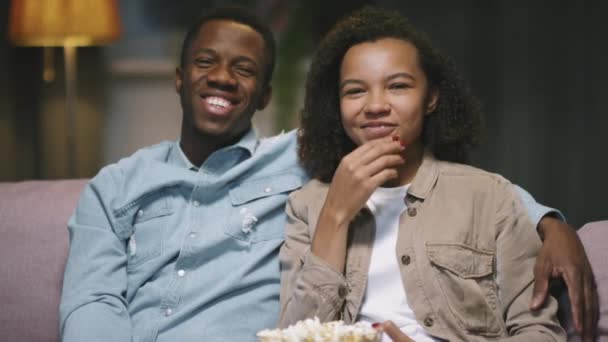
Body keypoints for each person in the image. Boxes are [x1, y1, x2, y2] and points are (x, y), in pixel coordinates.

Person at [59, 5, 595, 342]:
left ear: (266, 94)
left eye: (244, 69)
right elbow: (92, 301)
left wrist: (551, 224)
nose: (222, 78)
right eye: (205, 63)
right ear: (178, 78)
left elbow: (466, 191)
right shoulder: (115, 186)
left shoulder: (303, 160)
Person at [278, 6, 595, 341]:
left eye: (397, 86)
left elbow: (539, 332)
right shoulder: (307, 205)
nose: (374, 105)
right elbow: (291, 335)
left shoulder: (489, 196)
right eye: (355, 90)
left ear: (430, 98)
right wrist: (336, 214)